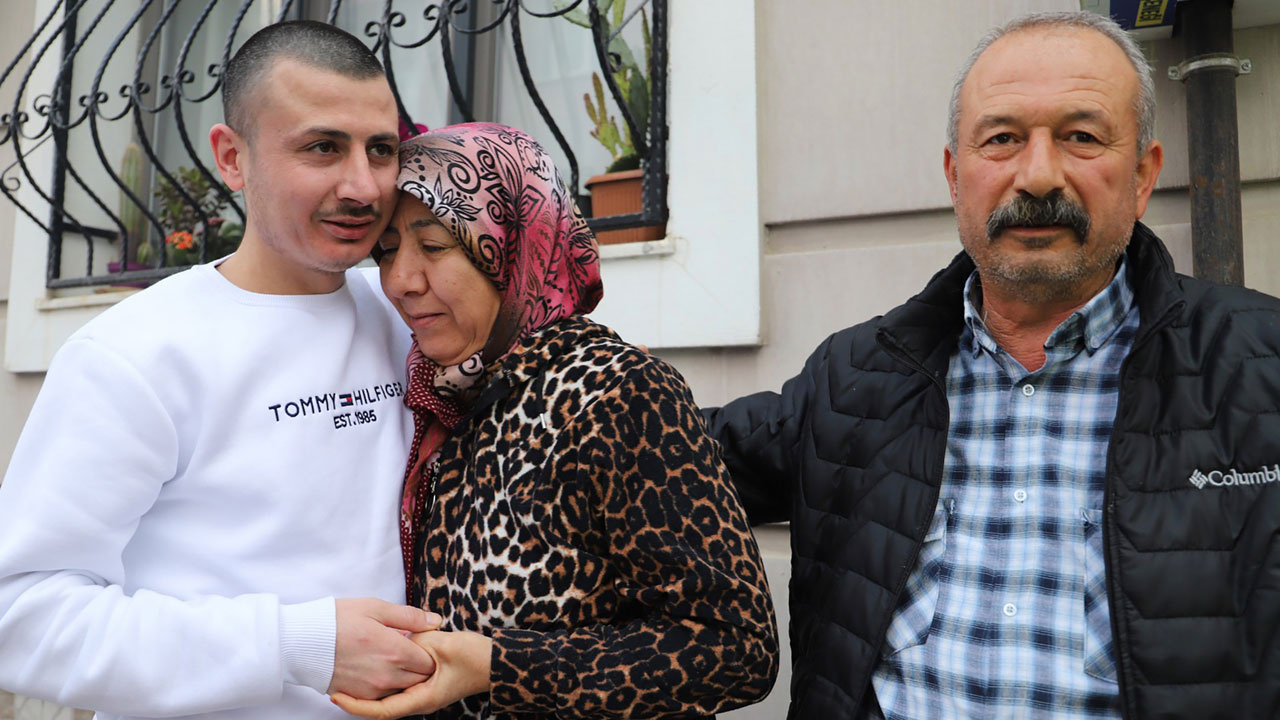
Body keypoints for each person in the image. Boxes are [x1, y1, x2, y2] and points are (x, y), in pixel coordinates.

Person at [705, 11, 1280, 720]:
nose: (1036, 177)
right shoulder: (855, 381)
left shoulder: (1263, 373)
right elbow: (650, 458)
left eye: (1081, 136)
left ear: (1142, 174)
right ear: (955, 175)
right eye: (1002, 139)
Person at [0, 21, 441, 718]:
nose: (364, 186)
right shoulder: (135, 353)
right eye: (323, 147)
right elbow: (22, 615)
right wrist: (294, 644)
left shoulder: (411, 316)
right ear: (232, 159)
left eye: (381, 150)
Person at [330, 122, 779, 719]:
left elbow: (734, 648)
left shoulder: (618, 394)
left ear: (513, 248)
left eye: (433, 246)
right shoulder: (440, 393)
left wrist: (497, 667)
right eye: (387, 251)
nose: (399, 281)